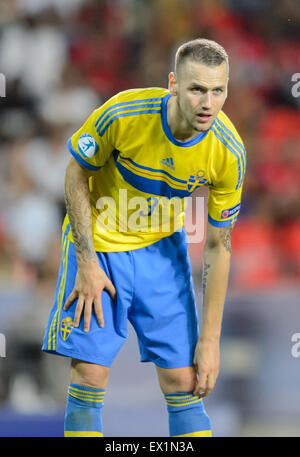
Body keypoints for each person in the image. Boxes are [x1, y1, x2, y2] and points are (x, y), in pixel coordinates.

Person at [42, 38, 246, 437]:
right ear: (173, 83)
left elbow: (219, 245)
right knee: (88, 377)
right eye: (196, 89)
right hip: (100, 249)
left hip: (163, 255)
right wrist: (86, 263)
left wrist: (210, 341)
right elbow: (74, 173)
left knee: (187, 385)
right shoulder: (125, 114)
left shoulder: (227, 153)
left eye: (218, 90)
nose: (208, 102)